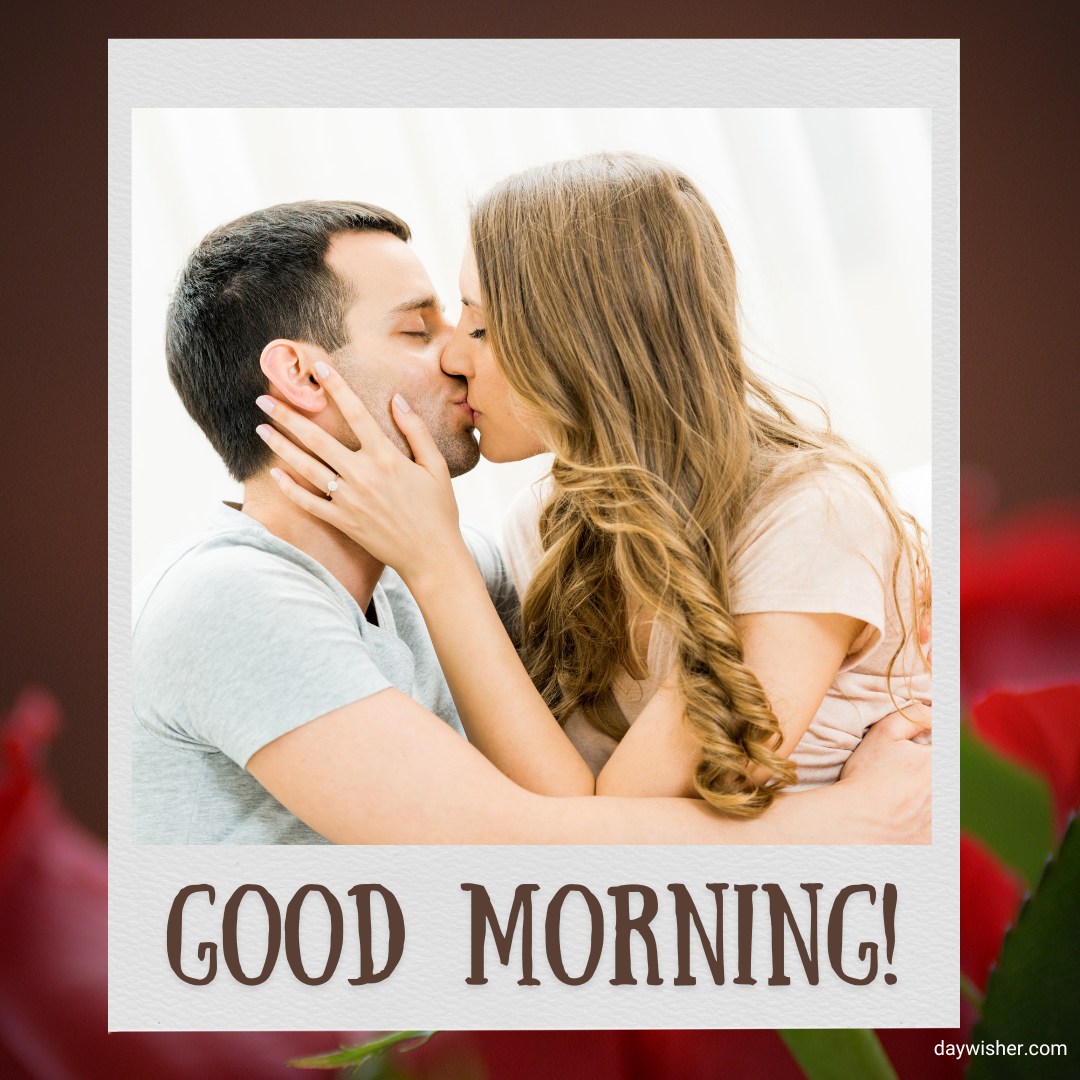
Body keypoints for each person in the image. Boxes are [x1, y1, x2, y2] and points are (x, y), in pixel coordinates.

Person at [134, 198, 929, 845]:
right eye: (419, 330)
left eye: (467, 325)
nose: (456, 357)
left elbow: (582, 796)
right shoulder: (229, 599)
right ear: (304, 373)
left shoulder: (461, 572)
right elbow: (525, 848)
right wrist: (846, 821)